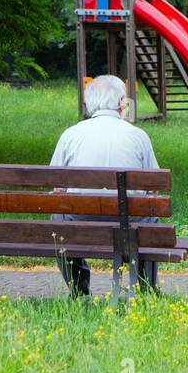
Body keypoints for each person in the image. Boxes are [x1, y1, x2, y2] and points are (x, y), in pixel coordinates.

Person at [48, 74, 159, 295]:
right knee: (151, 216)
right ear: (121, 103)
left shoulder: (71, 135)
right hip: (129, 224)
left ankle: (79, 290)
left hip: (80, 222)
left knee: (58, 218)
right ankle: (145, 289)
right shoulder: (137, 136)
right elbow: (154, 187)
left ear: (88, 103)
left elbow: (56, 187)